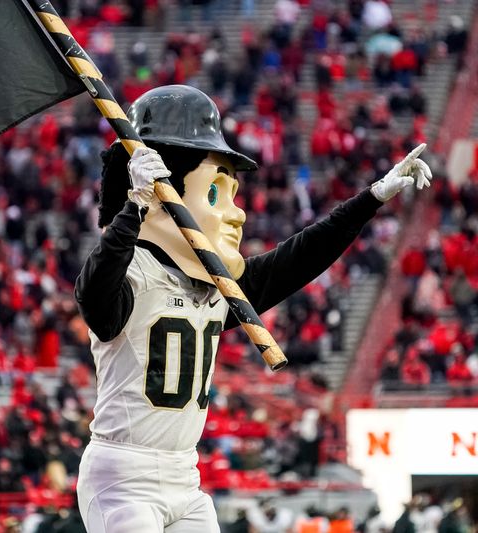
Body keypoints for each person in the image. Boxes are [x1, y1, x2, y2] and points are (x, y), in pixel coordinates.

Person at [74, 84, 432, 533]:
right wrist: (134, 207)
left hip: (185, 476)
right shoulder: (133, 271)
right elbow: (93, 291)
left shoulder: (216, 286)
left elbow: (300, 256)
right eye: (214, 195)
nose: (237, 214)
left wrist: (372, 198)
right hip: (124, 474)